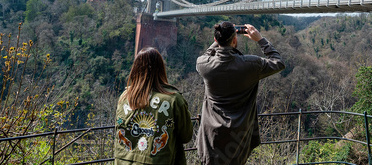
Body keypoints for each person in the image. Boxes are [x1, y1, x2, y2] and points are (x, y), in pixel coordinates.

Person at [196, 22, 285, 165]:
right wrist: (260, 40)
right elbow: (278, 63)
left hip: (211, 136)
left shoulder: (203, 65)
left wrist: (219, 40)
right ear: (235, 40)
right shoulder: (251, 64)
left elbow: (208, 54)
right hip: (239, 137)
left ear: (215, 40)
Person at [114, 47, 193, 164]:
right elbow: (186, 136)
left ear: (135, 69)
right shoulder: (173, 99)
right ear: (161, 69)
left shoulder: (124, 97)